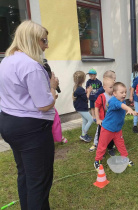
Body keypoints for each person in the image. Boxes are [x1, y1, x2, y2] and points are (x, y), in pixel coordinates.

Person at [0, 20, 58, 210]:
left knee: (25, 174)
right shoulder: (31, 66)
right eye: (43, 40)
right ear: (32, 40)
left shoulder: (6, 61)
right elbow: (44, 105)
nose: (46, 45)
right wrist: (52, 87)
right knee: (38, 182)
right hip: (32, 130)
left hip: (10, 123)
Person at [94, 82, 138, 170]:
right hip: (107, 129)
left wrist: (131, 111)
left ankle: (125, 158)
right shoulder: (114, 101)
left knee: (121, 144)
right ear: (114, 93)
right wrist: (129, 108)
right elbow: (121, 106)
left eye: (125, 92)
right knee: (102, 145)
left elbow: (123, 107)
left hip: (117, 129)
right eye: (121, 92)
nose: (124, 94)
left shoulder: (123, 101)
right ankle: (97, 161)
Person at [90, 70, 116, 152]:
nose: (114, 81)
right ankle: (96, 144)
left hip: (111, 118)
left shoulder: (113, 91)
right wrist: (97, 118)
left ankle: (110, 146)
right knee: (100, 132)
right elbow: (97, 103)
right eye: (113, 79)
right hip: (103, 118)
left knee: (111, 132)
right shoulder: (101, 92)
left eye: (115, 80)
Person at [73, 71, 93, 142]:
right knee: (90, 120)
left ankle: (84, 134)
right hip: (82, 108)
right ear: (83, 80)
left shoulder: (77, 88)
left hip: (80, 107)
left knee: (84, 121)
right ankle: (83, 135)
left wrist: (86, 91)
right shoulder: (80, 89)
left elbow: (82, 96)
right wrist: (89, 91)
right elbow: (86, 98)